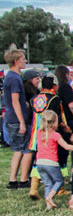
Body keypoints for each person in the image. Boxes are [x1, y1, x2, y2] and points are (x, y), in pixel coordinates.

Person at [34, 110, 73, 210]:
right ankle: (49, 197)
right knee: (59, 181)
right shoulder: (55, 135)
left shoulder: (39, 132)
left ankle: (48, 206)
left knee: (48, 184)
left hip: (39, 162)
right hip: (51, 162)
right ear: (54, 122)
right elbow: (66, 146)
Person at [3, 48, 33, 189]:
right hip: (17, 119)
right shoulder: (15, 78)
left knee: (17, 149)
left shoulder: (9, 76)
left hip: (11, 118)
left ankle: (13, 179)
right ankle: (23, 179)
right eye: (22, 58)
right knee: (27, 149)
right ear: (16, 61)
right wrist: (22, 121)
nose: (25, 61)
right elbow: (15, 101)